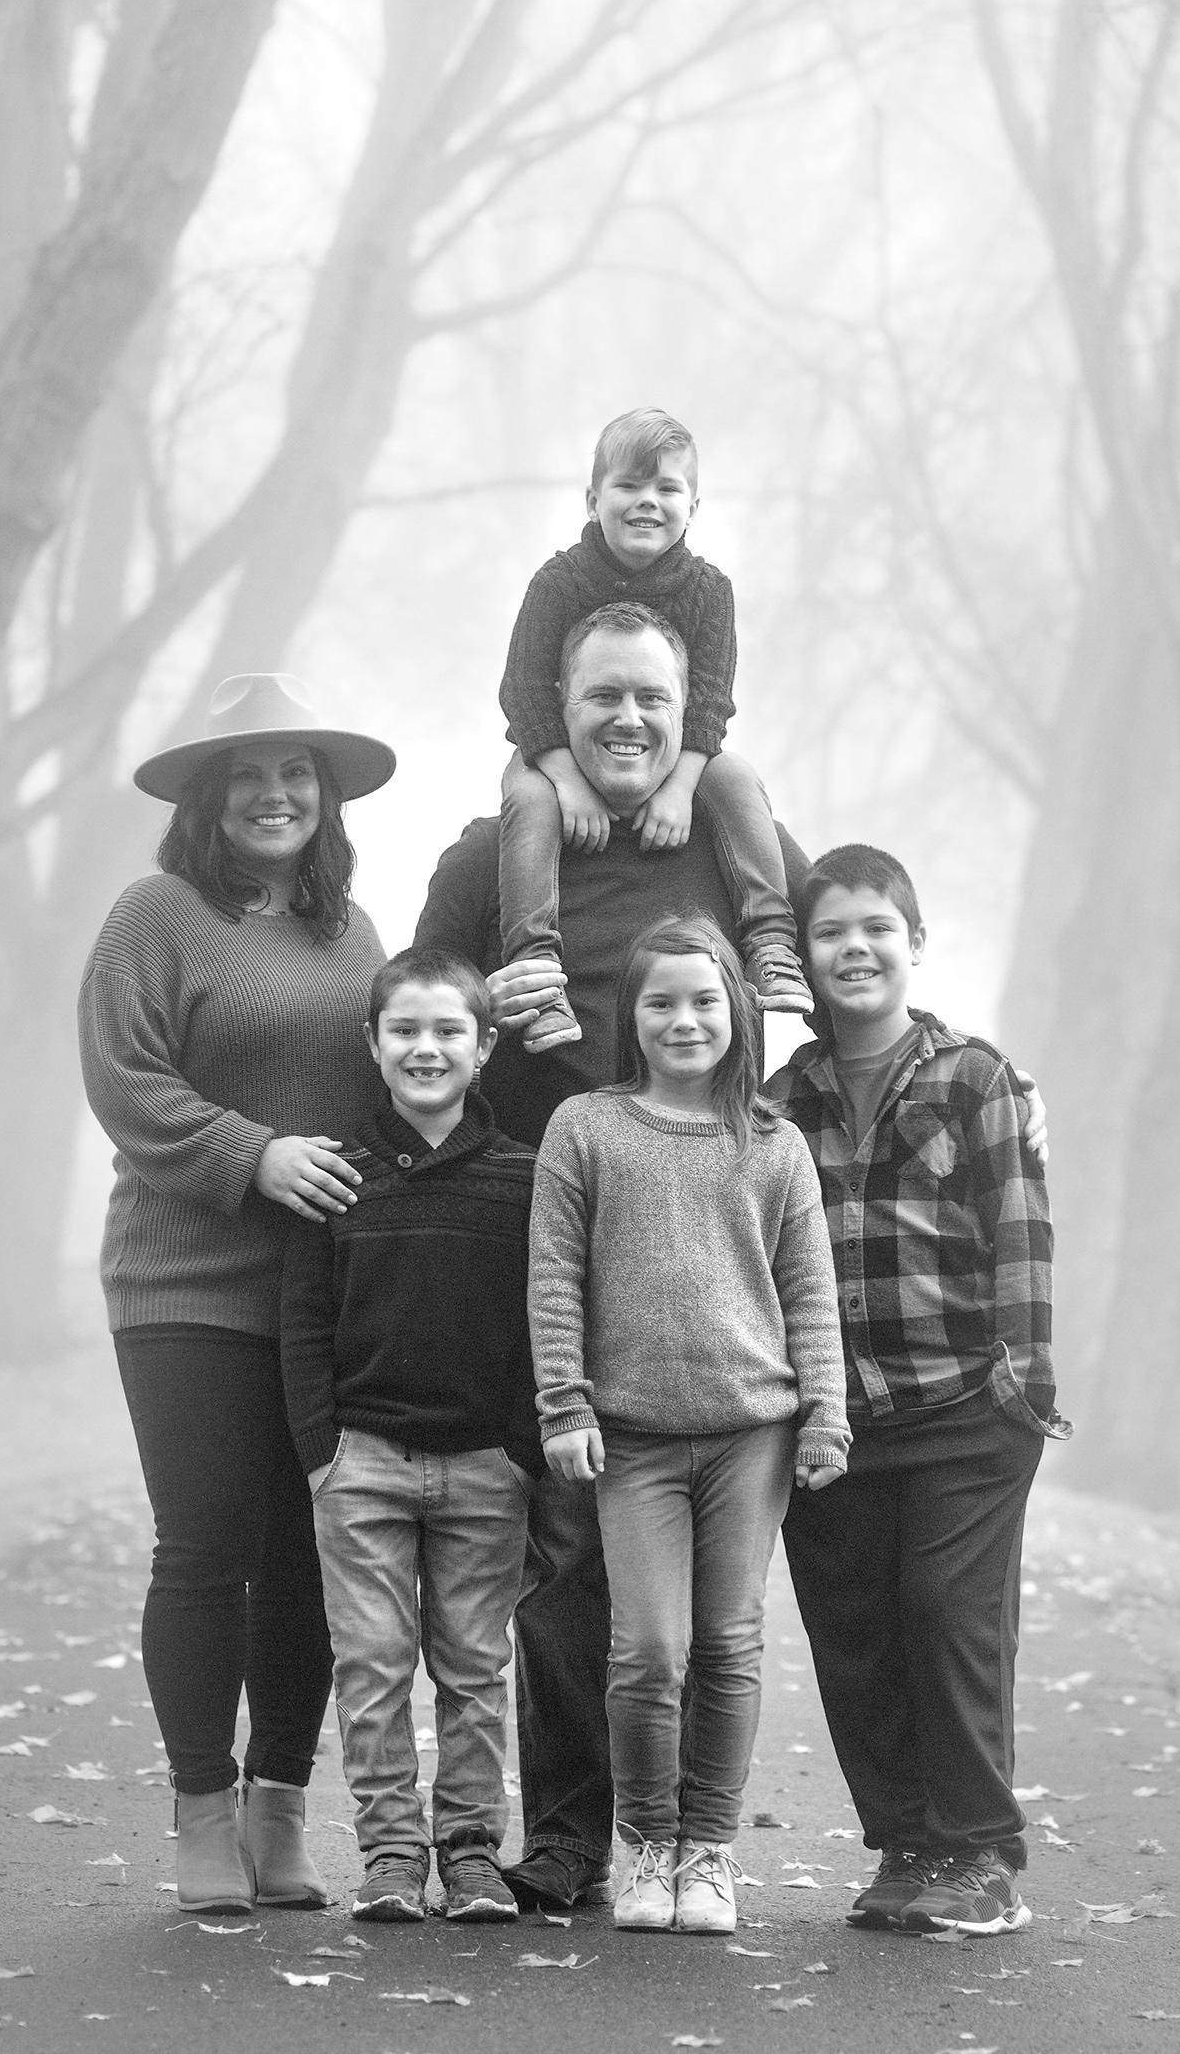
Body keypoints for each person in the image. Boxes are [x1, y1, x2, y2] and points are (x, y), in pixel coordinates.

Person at [411, 598, 812, 1912]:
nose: (628, 718)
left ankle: (694, 1835)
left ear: (691, 713)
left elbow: (836, 961)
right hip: (540, 1238)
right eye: (603, 696)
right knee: (568, 1549)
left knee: (702, 1604)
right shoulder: (496, 856)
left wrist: (964, 1071)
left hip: (700, 1257)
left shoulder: (731, 837)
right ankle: (581, 1831)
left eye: (653, 697)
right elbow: (418, 1013)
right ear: (559, 709)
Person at [79, 672, 396, 1915]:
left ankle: (281, 1807)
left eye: (295, 773)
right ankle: (202, 1809)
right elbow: (125, 1078)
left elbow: (399, 1073)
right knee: (206, 1545)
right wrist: (252, 1154)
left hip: (320, 1292)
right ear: (208, 798)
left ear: (324, 795)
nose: (276, 794)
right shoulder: (154, 915)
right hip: (182, 1280)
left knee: (310, 1553)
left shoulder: (351, 933)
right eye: (249, 775)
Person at [762, 844, 1065, 1940]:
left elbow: (1020, 1236)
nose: (856, 949)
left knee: (947, 1613)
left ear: (916, 943)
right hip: (832, 1420)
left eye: (876, 928)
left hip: (963, 1408)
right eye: (832, 932)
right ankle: (906, 1844)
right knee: (857, 1631)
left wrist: (1021, 1389)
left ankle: (981, 1853)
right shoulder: (777, 1101)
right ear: (804, 957)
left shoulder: (976, 1079)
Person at [528, 917, 847, 1938]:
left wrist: (826, 1413)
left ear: (737, 1009)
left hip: (752, 1433)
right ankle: (648, 1843)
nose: (685, 1019)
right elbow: (554, 1276)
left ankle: (709, 1849)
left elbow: (809, 1290)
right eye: (661, 1001)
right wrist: (564, 1402)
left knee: (729, 1642)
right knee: (648, 1650)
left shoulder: (774, 1143)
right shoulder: (586, 1126)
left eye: (705, 999)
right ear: (631, 1014)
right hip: (633, 1439)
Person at [275, 947, 539, 1927]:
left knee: (475, 1668)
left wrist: (522, 1446)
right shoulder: (335, 1176)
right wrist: (323, 1452)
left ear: (485, 1046)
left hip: (486, 1466)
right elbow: (303, 1322)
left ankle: (470, 1856)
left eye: (447, 1030)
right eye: (406, 1030)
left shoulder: (524, 1179)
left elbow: (545, 1317)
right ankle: (390, 1855)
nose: (426, 1047)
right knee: (373, 1666)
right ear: (373, 1042)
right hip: (363, 1465)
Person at [494, 410, 810, 1026]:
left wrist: (681, 788)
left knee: (737, 776)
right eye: (629, 486)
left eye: (667, 488)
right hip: (554, 752)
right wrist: (567, 780)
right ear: (593, 501)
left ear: (694, 507)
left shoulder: (708, 590)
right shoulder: (558, 583)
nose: (648, 501)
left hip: (682, 757)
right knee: (526, 800)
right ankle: (536, 968)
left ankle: (771, 940)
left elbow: (710, 701)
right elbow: (524, 692)